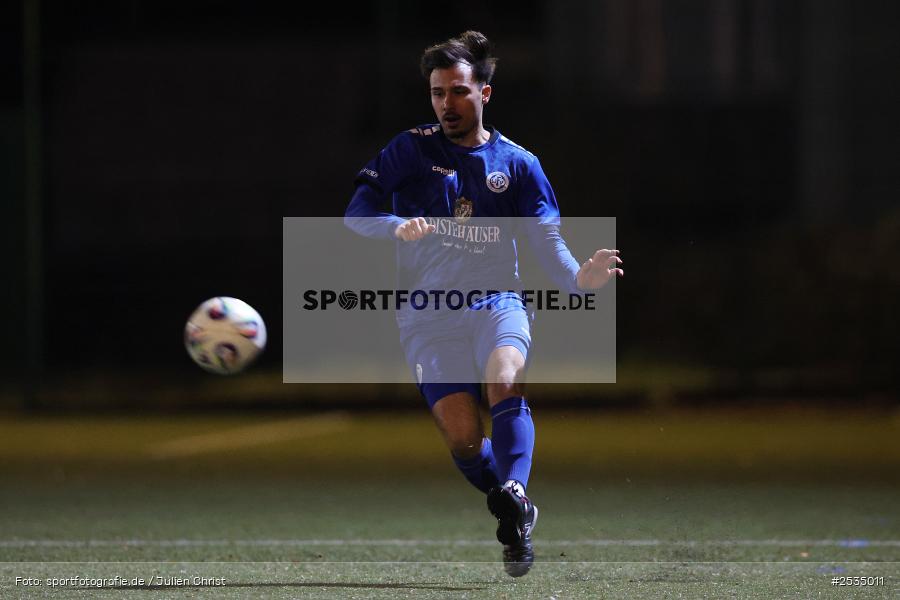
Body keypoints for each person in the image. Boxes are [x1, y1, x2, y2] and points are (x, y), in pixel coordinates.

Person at [344, 31, 622, 577]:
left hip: (497, 300)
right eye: (437, 93)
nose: (446, 104)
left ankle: (514, 487)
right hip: (427, 312)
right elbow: (357, 212)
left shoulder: (518, 163)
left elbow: (546, 241)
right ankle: (516, 511)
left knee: (505, 378)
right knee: (464, 439)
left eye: (458, 91)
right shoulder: (410, 149)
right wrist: (395, 226)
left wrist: (578, 278)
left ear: (484, 93)